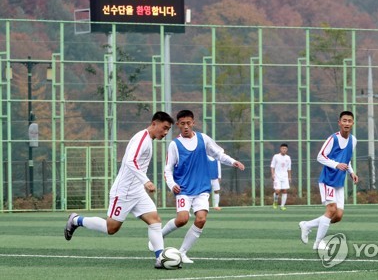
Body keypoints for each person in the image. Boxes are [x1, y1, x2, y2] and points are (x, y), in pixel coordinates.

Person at [64, 111, 175, 269]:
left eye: (168, 130)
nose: (165, 132)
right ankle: (75, 220)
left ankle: (160, 259)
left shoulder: (148, 140)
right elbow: (130, 161)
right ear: (154, 123)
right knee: (111, 228)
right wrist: (146, 181)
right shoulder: (142, 139)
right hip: (123, 192)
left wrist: (142, 183)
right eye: (164, 128)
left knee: (155, 221)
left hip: (136, 191)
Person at [155, 109, 245, 264]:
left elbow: (218, 154)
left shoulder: (204, 139)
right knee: (182, 219)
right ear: (177, 125)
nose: (186, 126)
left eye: (188, 123)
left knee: (201, 219)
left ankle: (182, 252)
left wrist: (232, 161)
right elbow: (168, 169)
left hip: (202, 189)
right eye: (182, 124)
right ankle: (159, 236)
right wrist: (172, 184)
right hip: (183, 189)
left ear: (193, 123)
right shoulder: (174, 145)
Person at [299, 110, 359, 249]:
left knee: (337, 216)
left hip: (339, 182)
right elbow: (320, 156)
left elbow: (347, 159)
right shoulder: (333, 138)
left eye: (349, 121)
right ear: (339, 123)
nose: (347, 123)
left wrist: (351, 172)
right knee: (331, 209)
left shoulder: (353, 140)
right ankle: (318, 243)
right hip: (328, 180)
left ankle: (307, 225)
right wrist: (336, 165)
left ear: (353, 123)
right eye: (344, 120)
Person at [270, 143, 292, 210]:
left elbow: (289, 168)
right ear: (280, 149)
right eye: (283, 148)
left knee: (285, 190)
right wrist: (272, 174)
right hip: (277, 176)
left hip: (285, 177)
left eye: (285, 148)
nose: (284, 150)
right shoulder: (276, 156)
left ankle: (282, 205)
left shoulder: (288, 158)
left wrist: (289, 177)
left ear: (287, 149)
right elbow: (272, 166)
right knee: (277, 190)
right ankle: (275, 202)